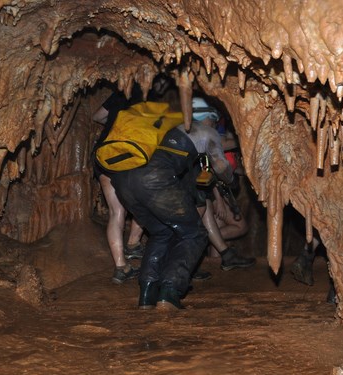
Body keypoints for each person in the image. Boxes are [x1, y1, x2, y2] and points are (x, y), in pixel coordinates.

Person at [111, 96, 253, 310]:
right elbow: (222, 170)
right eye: (215, 121)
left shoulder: (166, 128)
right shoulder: (206, 132)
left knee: (162, 233)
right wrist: (231, 180)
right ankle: (169, 292)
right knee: (194, 233)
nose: (215, 125)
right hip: (154, 178)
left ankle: (147, 294)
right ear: (210, 118)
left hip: (122, 180)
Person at [192, 99, 255, 272]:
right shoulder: (204, 136)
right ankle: (209, 247)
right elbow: (209, 167)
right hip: (209, 191)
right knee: (239, 226)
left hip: (212, 191)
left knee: (218, 226)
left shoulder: (201, 134)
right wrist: (218, 199)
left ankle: (216, 261)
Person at [92, 84, 147, 284]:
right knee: (144, 202)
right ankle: (133, 243)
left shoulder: (120, 95)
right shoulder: (151, 101)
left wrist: (112, 124)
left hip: (104, 155)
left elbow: (97, 117)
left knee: (116, 212)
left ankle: (120, 267)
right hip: (128, 157)